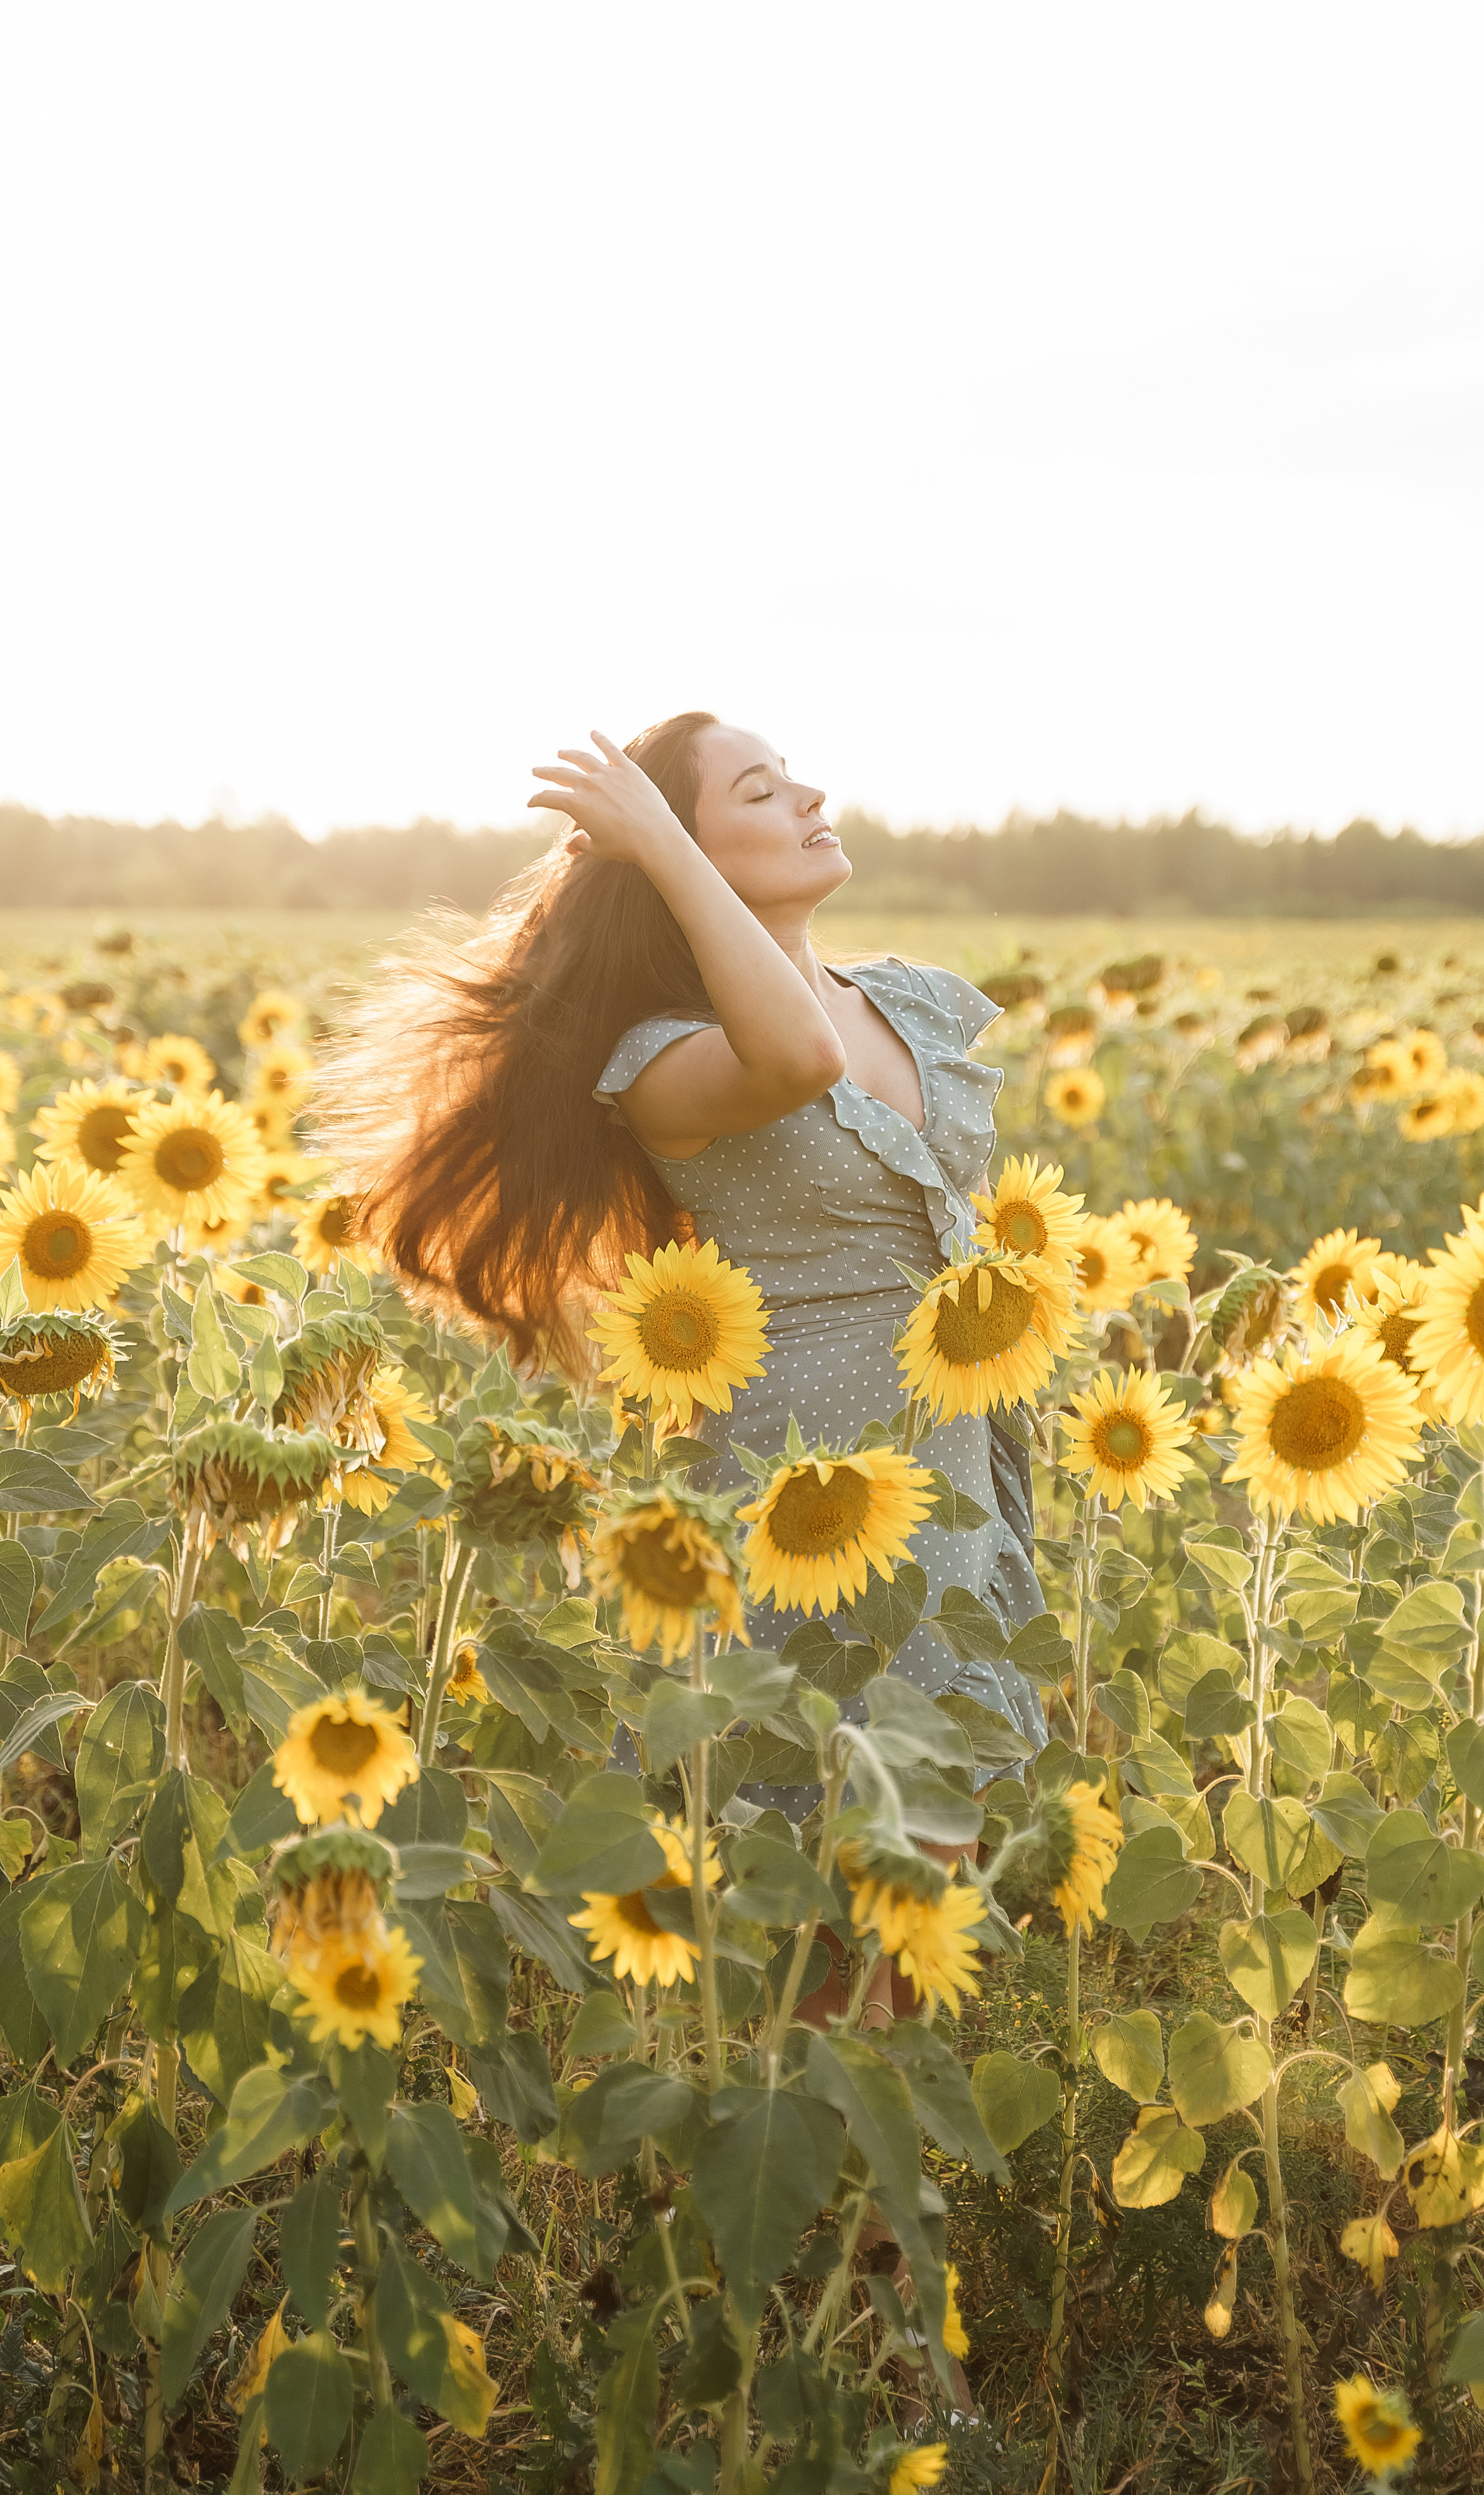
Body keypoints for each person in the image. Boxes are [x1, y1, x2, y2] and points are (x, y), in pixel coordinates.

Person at [326, 710, 1051, 2017]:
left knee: (925, 1887)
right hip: (792, 1508)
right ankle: (810, 2172)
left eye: (795, 779)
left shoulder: (910, 1002)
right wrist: (656, 840)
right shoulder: (658, 1059)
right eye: (763, 793)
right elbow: (795, 1059)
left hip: (940, 1477)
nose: (813, 796)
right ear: (679, 858)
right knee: (813, 1923)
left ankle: (880, 2216)